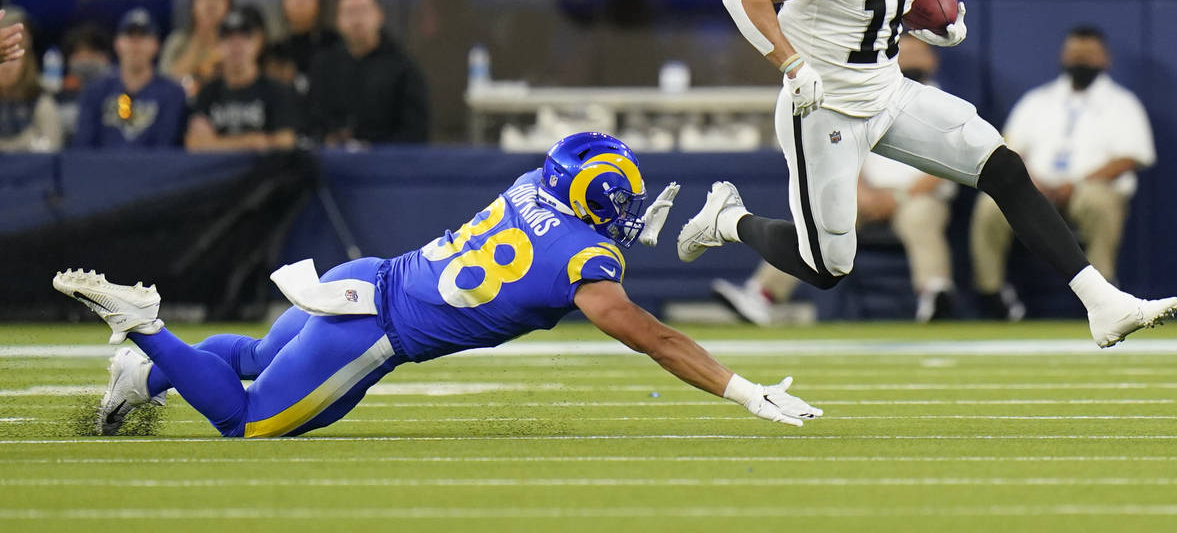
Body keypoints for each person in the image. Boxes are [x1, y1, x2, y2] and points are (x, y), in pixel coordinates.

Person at [676, 0, 1177, 348]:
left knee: (1003, 167)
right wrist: (792, 64)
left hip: (888, 92)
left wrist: (936, 20)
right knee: (827, 265)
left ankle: (1103, 302)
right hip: (823, 107)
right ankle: (728, 219)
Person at [53, 131, 821, 437]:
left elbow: (571, 237)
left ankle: (145, 371)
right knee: (249, 422)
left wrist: (612, 233)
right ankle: (147, 327)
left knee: (255, 353)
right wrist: (744, 390)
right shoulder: (589, 266)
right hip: (374, 331)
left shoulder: (532, 185)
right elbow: (648, 334)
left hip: (366, 278)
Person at [711, 34, 957, 324]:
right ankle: (761, 296)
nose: (910, 57)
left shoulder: (945, 105)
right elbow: (843, 149)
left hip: (917, 196)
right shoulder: (866, 96)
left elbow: (946, 166)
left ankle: (935, 295)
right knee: (822, 218)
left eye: (918, 52)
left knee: (920, 217)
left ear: (932, 60)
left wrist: (898, 197)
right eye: (904, 51)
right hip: (864, 194)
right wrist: (860, 191)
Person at [970, 25, 1156, 320]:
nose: (1080, 62)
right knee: (991, 203)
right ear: (1063, 57)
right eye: (1075, 54)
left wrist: (1078, 183)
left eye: (1088, 55)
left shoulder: (1122, 104)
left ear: (1105, 59)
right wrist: (1033, 182)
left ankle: (1103, 293)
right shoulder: (1037, 101)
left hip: (1088, 190)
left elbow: (1130, 157)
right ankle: (992, 293)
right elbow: (1008, 148)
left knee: (1100, 201)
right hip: (1035, 189)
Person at [307, 0, 430, 146]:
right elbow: (311, 122)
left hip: (386, 163)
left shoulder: (403, 68)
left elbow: (415, 131)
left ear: (380, 15)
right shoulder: (323, 66)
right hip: (333, 163)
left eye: (364, 11)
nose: (357, 20)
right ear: (337, 20)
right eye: (349, 13)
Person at [185, 5, 299, 152]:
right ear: (218, 45)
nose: (236, 44)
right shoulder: (207, 94)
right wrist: (251, 141)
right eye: (228, 37)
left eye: (245, 36)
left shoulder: (278, 91)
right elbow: (194, 145)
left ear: (258, 42)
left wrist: (215, 143)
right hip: (218, 174)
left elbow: (285, 143)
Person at [73, 8, 188, 149]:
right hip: (102, 170)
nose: (136, 43)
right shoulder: (95, 92)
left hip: (154, 170)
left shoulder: (172, 94)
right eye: (129, 35)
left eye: (143, 36)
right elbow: (83, 149)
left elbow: (165, 148)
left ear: (156, 45)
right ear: (117, 44)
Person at [0, 8, 63, 152]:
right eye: (3, 60)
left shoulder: (41, 99)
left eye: (14, 60)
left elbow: (52, 149)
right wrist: (28, 142)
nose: (7, 68)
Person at [160, 0, 233, 97]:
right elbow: (166, 82)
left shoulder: (235, 43)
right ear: (193, 6)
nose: (211, 2)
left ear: (229, 7)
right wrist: (199, 39)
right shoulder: (177, 41)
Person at [274, 0, 338, 94]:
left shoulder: (335, 45)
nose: (299, 0)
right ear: (283, 2)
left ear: (319, 1)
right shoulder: (276, 53)